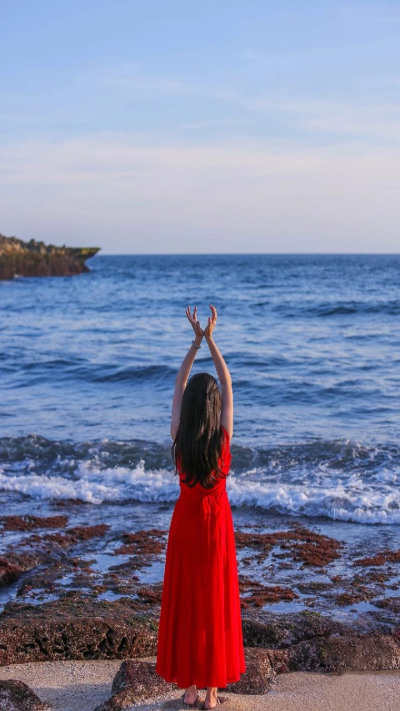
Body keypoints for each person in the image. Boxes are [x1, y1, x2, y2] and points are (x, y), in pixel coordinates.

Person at [156, 304, 246, 709]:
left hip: (185, 523)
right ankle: (211, 693)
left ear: (190, 410)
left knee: (187, 601)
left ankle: (189, 688)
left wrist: (194, 343)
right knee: (215, 602)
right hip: (216, 526)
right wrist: (212, 340)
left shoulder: (180, 438)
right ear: (213, 410)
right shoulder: (222, 442)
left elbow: (178, 387)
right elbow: (228, 386)